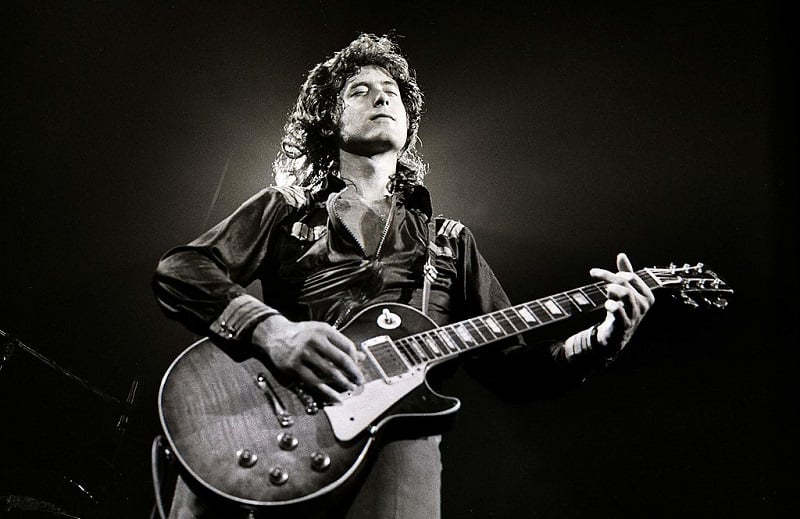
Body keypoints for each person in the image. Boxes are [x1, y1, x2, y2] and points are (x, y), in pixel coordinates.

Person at [153, 33, 654, 519]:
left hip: (397, 452)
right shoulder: (288, 210)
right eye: (360, 91)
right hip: (275, 437)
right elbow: (182, 270)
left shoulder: (449, 242)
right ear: (329, 118)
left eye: (391, 91)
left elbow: (514, 370)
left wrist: (601, 340)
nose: (382, 98)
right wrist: (273, 331)